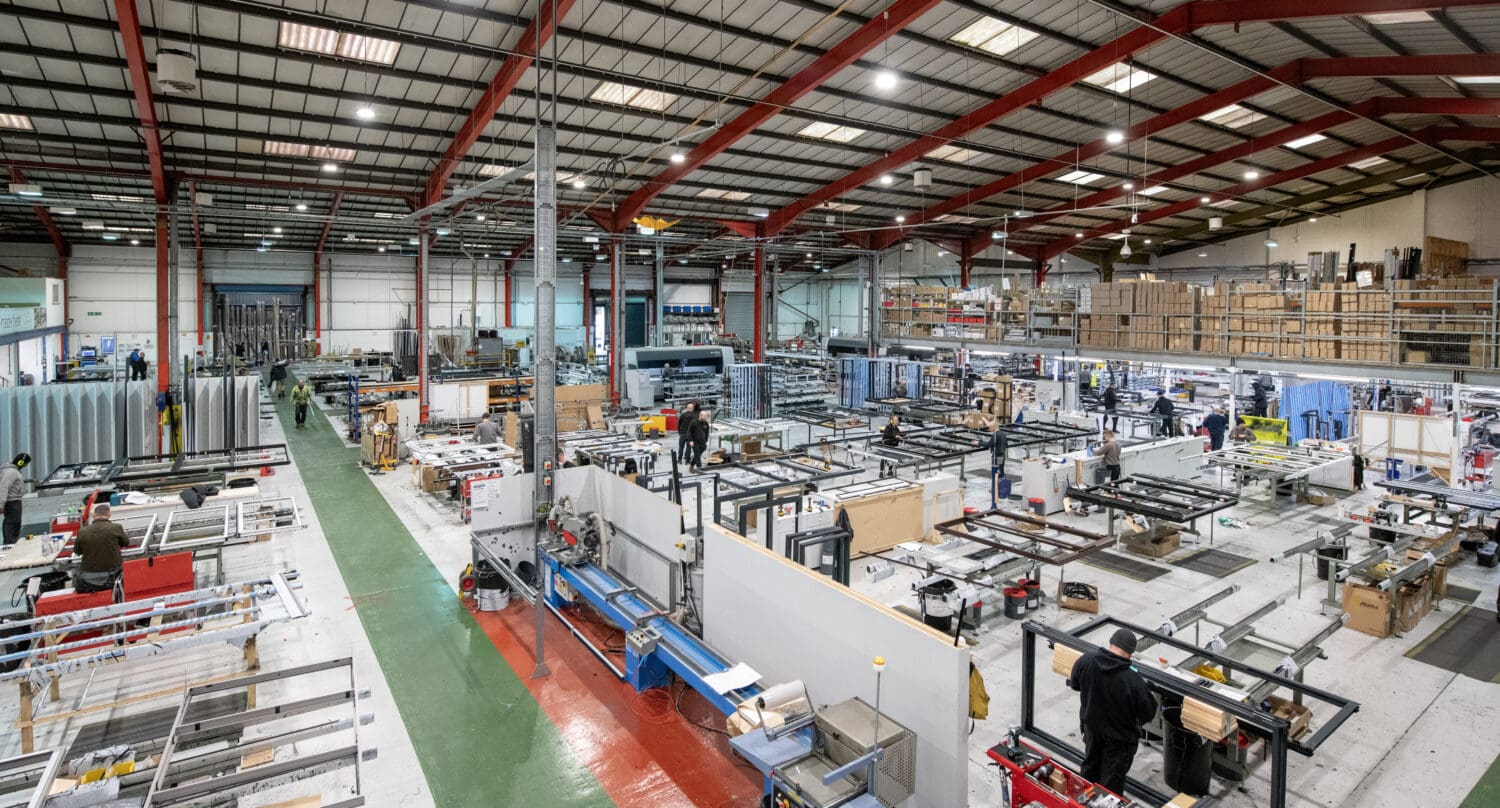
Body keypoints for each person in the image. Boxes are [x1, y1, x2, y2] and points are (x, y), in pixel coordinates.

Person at [1068, 628, 1156, 796]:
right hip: (1119, 742)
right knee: (1111, 784)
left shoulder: (1086, 660)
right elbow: (1148, 713)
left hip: (1092, 732)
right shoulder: (1134, 681)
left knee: (1089, 772)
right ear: (1130, 654)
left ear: (1110, 644)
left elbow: (1075, 685)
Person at [73, 503, 129, 594]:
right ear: (109, 515)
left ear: (94, 515)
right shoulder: (116, 527)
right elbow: (126, 543)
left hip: (88, 576)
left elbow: (77, 551)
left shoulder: (82, 531)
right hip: (113, 574)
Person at [0, 453, 29, 545]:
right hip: (12, 503)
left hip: (14, 502)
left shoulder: (11, 471)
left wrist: (28, 480)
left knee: (13, 525)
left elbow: (14, 484)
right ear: (21, 462)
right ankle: (9, 547)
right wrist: (1, 504)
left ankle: (10, 544)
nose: (26, 465)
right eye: (25, 463)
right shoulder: (11, 472)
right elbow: (4, 487)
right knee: (12, 526)